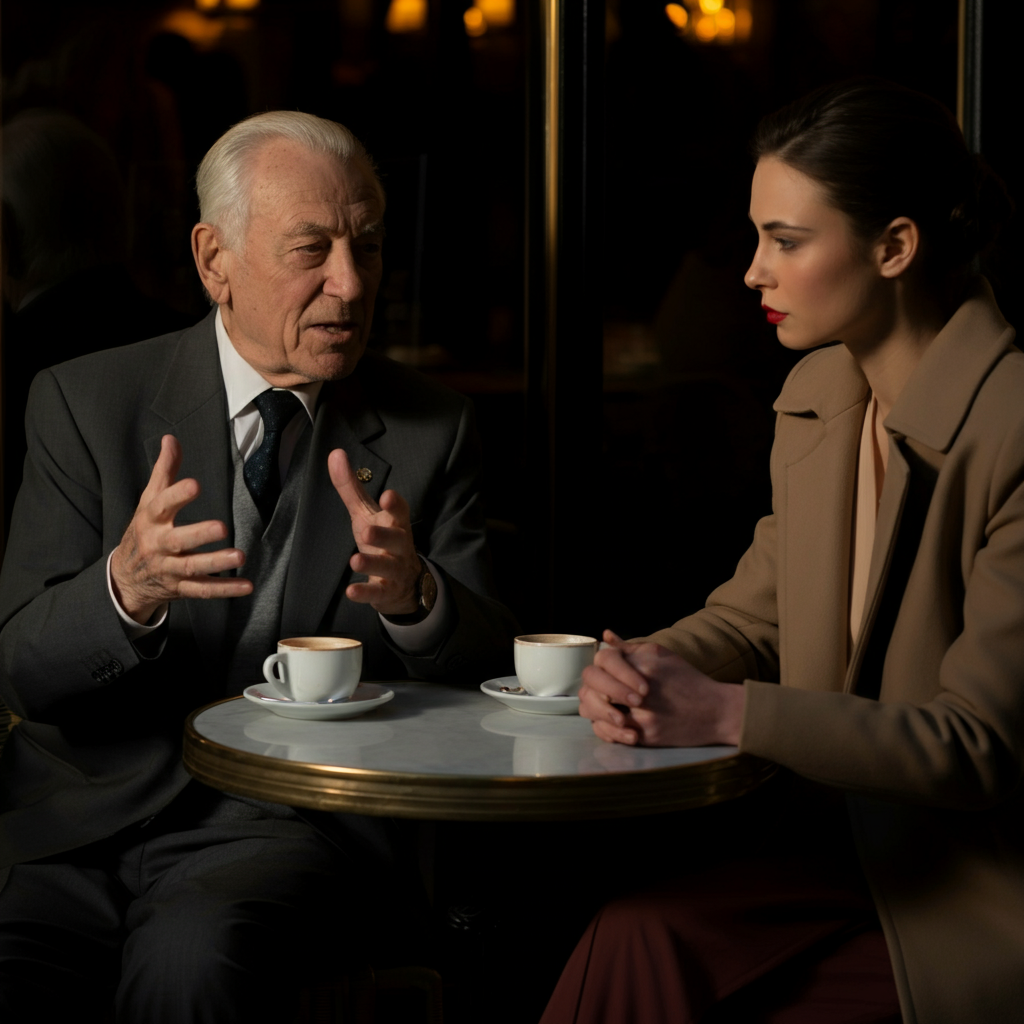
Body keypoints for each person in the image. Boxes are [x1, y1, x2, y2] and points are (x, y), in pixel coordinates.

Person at [0, 110, 517, 1022]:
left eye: (368, 245)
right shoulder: (83, 402)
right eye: (311, 249)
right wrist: (124, 591)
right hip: (76, 828)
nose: (351, 285)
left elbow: (492, 676)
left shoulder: (432, 428)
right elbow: (22, 668)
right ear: (214, 260)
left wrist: (417, 598)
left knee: (192, 965)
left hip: (290, 826)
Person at [542, 80, 1022, 1024]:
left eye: (787, 242)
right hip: (839, 855)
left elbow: (979, 747)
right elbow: (751, 617)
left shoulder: (1012, 430)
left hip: (975, 895)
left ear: (894, 247)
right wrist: (641, 668)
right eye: (757, 235)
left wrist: (722, 712)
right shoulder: (819, 399)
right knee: (631, 935)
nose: (753, 272)